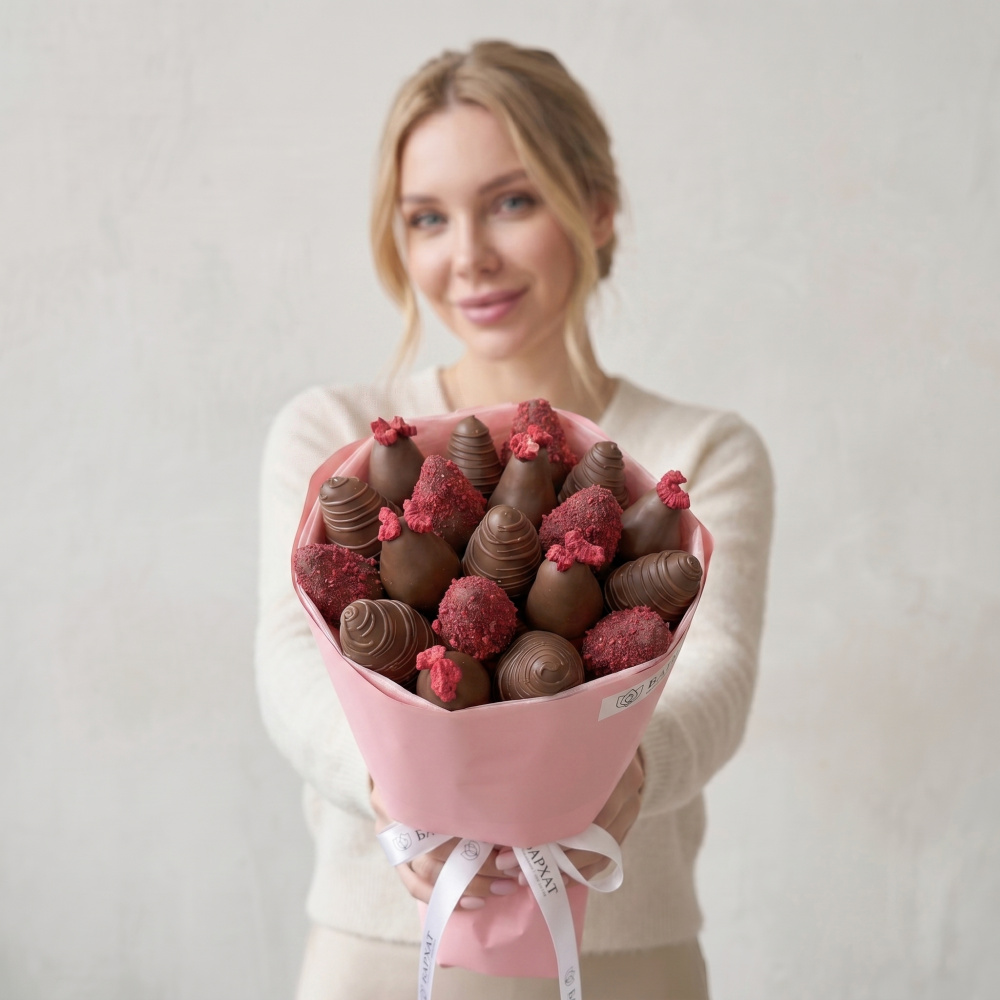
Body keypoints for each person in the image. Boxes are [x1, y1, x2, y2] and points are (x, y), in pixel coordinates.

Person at [256, 40, 773, 1000]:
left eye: (512, 201)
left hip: (629, 964)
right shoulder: (333, 435)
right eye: (428, 217)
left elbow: (720, 674)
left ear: (597, 207)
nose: (469, 255)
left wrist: (629, 767)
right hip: (379, 959)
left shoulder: (700, 451)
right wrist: (388, 783)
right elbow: (289, 665)